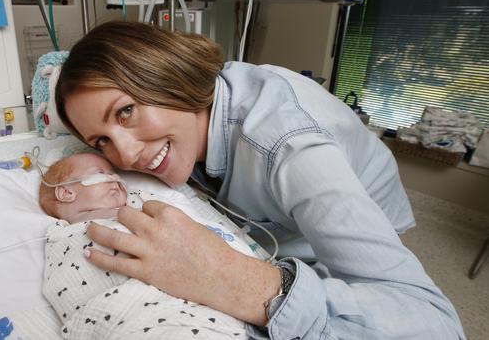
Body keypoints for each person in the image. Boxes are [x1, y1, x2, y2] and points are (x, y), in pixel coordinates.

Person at [52, 21, 466, 339]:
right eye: (102, 140)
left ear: (166, 77)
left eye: (125, 112)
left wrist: (236, 280)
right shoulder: (186, 123)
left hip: (357, 221)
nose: (124, 155)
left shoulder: (288, 148)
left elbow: (434, 323)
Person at [39, 152, 255, 339]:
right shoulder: (61, 236)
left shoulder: (137, 208)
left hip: (177, 300)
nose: (115, 179)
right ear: (66, 192)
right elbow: (65, 283)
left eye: (116, 174)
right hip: (115, 310)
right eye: (102, 172)